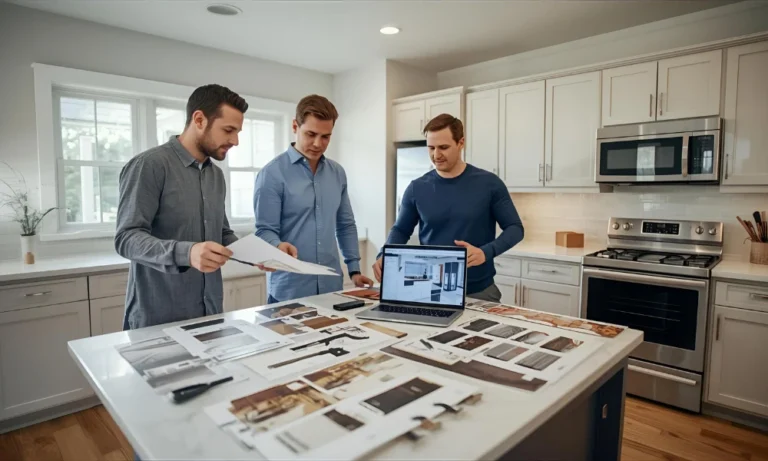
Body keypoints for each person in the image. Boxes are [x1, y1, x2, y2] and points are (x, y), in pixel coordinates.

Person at [115, 84, 249, 330]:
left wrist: (261, 253)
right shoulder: (149, 165)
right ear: (199, 119)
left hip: (210, 315)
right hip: (158, 319)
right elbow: (126, 238)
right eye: (229, 130)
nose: (235, 141)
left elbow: (222, 234)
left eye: (238, 131)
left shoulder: (216, 176)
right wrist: (186, 253)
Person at [372, 114, 524, 303]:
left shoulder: (490, 184)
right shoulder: (416, 188)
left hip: (479, 292)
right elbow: (401, 229)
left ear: (461, 143)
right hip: (429, 290)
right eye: (431, 148)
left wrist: (486, 252)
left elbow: (515, 228)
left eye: (443, 147)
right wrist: (384, 254)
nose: (436, 155)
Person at [254, 94, 373, 303]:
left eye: (325, 136)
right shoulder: (271, 174)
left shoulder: (337, 173)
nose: (318, 144)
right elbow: (265, 230)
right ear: (294, 126)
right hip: (289, 290)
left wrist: (354, 269)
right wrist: (277, 245)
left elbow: (345, 225)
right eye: (311, 134)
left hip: (331, 288)